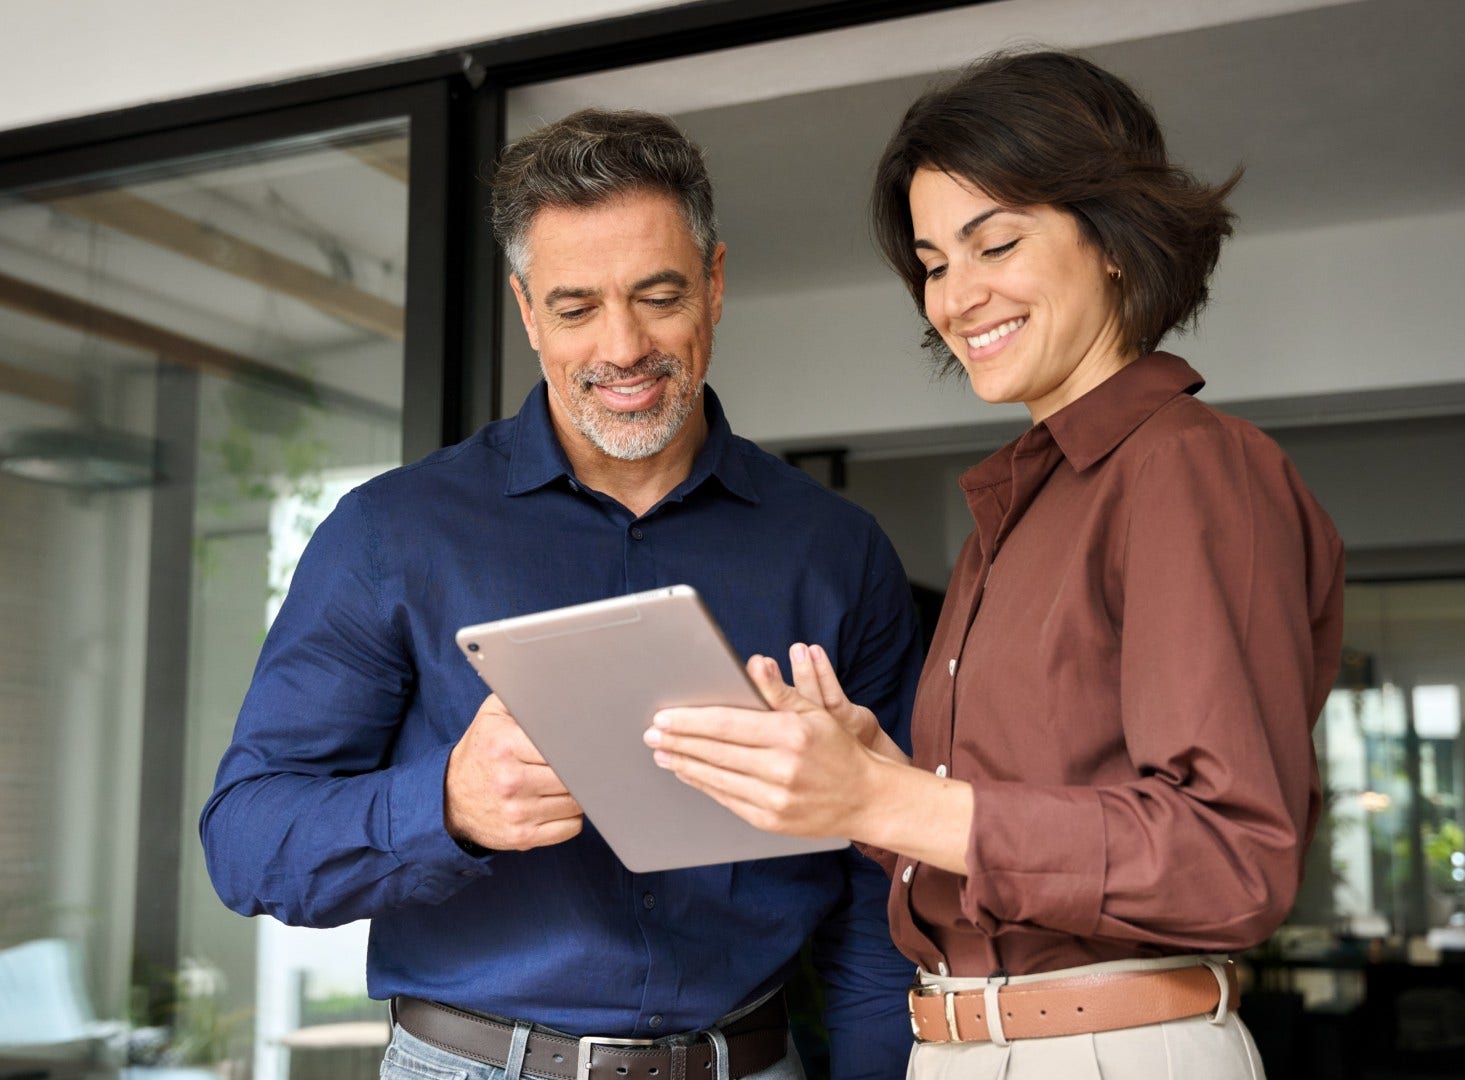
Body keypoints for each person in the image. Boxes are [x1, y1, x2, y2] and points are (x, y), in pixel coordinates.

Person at [643, 50, 1345, 1079]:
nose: (956, 296)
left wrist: (886, 802)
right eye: (933, 264)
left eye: (996, 243)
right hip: (977, 1041)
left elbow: (1230, 854)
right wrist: (873, 776)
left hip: (1106, 1049)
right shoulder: (1018, 509)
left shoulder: (1187, 466)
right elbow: (1007, 843)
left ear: (1114, 240)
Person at [200, 108, 921, 1080]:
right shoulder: (390, 534)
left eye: (658, 296)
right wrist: (445, 805)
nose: (623, 347)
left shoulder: (836, 550)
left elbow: (884, 883)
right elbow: (245, 841)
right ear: (527, 310)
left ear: (714, 284)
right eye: (576, 308)